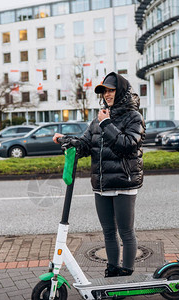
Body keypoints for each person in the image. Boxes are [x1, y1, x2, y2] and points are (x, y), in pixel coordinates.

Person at [53, 72, 145, 277]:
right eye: (104, 91)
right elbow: (86, 144)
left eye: (111, 90)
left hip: (124, 182)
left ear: (120, 91)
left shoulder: (134, 117)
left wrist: (106, 124)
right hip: (102, 184)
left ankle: (127, 273)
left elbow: (127, 145)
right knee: (108, 231)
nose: (107, 95)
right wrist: (67, 141)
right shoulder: (100, 117)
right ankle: (112, 269)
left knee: (126, 231)